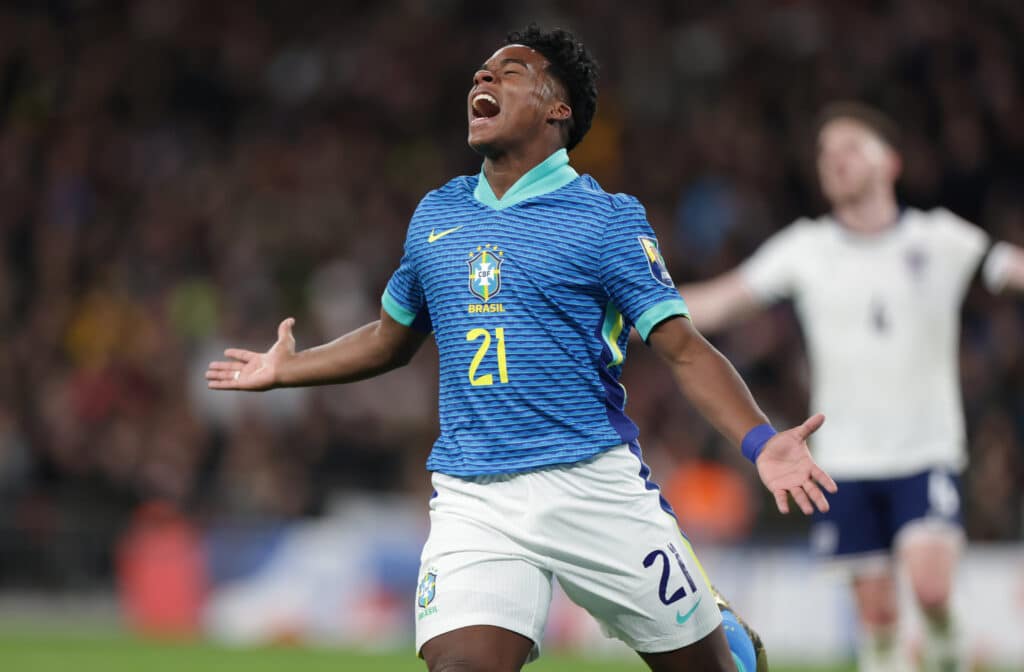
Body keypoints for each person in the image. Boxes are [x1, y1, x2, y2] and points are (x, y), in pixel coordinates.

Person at [207, 26, 836, 672]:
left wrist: (760, 442)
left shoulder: (606, 218)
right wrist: (288, 368)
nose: (483, 79)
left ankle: (722, 637)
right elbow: (390, 339)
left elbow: (682, 349)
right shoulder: (436, 215)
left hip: (592, 485)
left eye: (509, 72)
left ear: (557, 108)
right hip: (475, 495)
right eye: (480, 72)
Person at [678, 102, 1024, 672]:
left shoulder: (940, 238)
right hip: (844, 461)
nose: (833, 160)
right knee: (879, 617)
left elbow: (1007, 267)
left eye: (849, 148)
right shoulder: (806, 248)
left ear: (889, 162)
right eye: (824, 154)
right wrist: (641, 305)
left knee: (932, 592)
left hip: (925, 449)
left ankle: (947, 659)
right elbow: (724, 298)